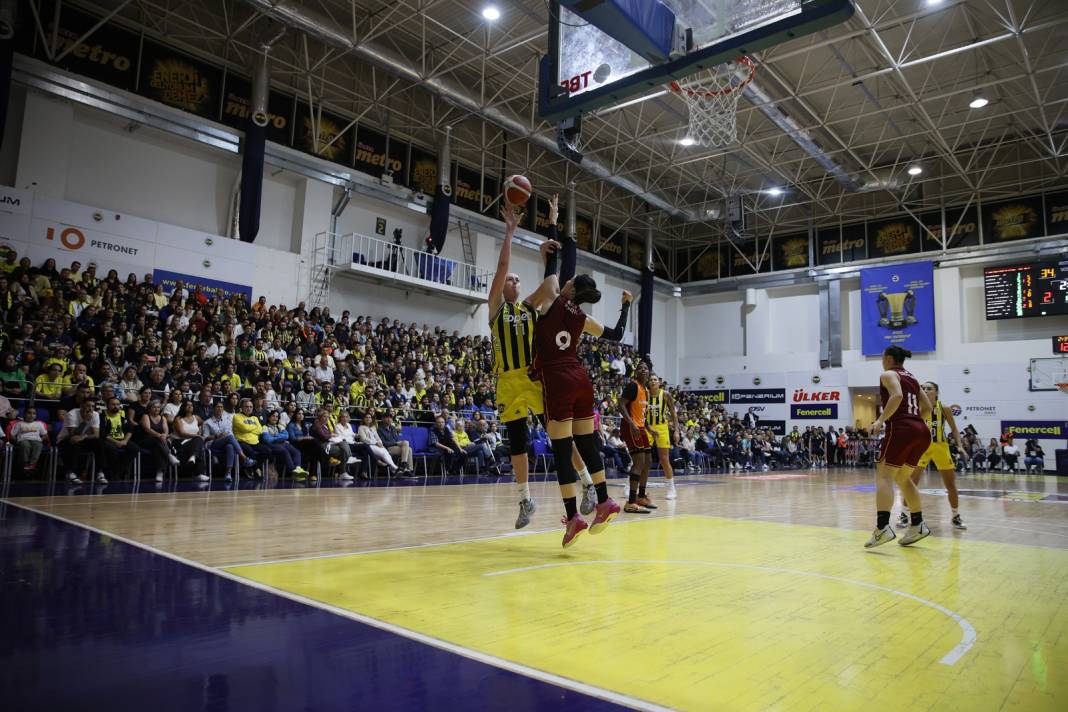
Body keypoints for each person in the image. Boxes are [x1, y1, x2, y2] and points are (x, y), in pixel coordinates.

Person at [487, 197, 594, 529]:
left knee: (558, 437)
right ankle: (524, 499)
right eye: (510, 280)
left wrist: (551, 229)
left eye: (518, 280)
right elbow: (502, 267)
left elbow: (551, 284)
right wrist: (509, 232)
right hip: (507, 381)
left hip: (534, 379)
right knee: (517, 445)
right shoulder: (495, 310)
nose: (514, 282)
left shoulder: (530, 307)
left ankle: (588, 483)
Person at [529, 267, 625, 547]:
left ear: (570, 288)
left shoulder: (551, 301)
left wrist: (553, 237)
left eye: (568, 280)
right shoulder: (583, 318)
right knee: (586, 444)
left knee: (561, 453)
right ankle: (605, 500)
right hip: (581, 378)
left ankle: (573, 518)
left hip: (558, 379)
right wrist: (626, 306)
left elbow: (549, 277)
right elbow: (617, 334)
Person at [865, 346, 934, 549]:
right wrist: (914, 423)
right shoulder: (912, 378)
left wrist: (879, 421)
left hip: (901, 429)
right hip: (922, 431)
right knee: (903, 478)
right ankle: (918, 523)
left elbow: (896, 396)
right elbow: (928, 408)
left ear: (888, 358)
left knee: (884, 476)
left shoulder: (888, 374)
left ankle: (882, 528)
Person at [900, 382, 966, 531]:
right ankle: (904, 514)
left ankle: (955, 516)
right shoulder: (916, 409)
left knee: (950, 485)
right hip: (921, 448)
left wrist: (960, 445)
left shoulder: (945, 409)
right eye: (923, 388)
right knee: (911, 482)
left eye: (929, 388)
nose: (925, 390)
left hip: (940, 447)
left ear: (937, 392)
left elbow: (954, 429)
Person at [618, 360, 656, 514]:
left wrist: (649, 428)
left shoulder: (645, 391)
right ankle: (631, 502)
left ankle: (641, 496)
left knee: (648, 461)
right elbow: (620, 404)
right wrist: (632, 424)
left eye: (645, 368)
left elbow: (641, 415)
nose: (643, 370)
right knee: (639, 462)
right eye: (640, 368)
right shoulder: (633, 386)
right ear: (636, 372)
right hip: (630, 426)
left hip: (640, 428)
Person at [647, 374, 680, 500]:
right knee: (641, 458)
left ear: (659, 382)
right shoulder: (645, 394)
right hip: (648, 427)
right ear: (648, 383)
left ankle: (671, 488)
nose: (653, 381)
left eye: (655, 379)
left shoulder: (665, 394)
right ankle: (631, 485)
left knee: (664, 459)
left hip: (662, 427)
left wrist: (676, 431)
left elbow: (673, 414)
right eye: (651, 380)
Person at [58, 398, 104, 484]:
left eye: (92, 406)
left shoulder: (95, 414)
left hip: (82, 439)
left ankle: (99, 472)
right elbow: (73, 434)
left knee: (99, 443)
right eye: (88, 406)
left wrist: (84, 437)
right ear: (81, 406)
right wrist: (86, 421)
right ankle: (71, 473)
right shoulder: (72, 414)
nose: (90, 408)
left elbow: (96, 435)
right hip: (65, 439)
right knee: (74, 442)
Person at [137, 399, 181, 483]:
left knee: (158, 449)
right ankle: (169, 456)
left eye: (158, 407)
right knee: (158, 441)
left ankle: (159, 472)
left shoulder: (163, 418)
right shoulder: (145, 416)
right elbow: (147, 429)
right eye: (154, 407)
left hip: (159, 442)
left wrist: (164, 435)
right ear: (149, 408)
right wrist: (159, 435)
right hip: (146, 440)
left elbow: (166, 430)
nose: (157, 409)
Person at [99, 396, 137, 480]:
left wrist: (125, 441)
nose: (116, 406)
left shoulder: (122, 414)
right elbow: (102, 434)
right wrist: (116, 442)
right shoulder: (102, 416)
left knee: (134, 448)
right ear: (107, 405)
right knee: (112, 449)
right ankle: (114, 473)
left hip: (122, 439)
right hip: (108, 440)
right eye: (113, 404)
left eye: (117, 404)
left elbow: (130, 430)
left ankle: (119, 470)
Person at [171, 400, 209, 482]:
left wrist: (200, 431)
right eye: (187, 405)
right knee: (199, 442)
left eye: (191, 405)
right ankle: (199, 473)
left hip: (193, 442)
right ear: (183, 407)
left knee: (198, 441)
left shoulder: (196, 417)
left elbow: (204, 423)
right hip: (180, 442)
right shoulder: (178, 418)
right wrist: (196, 435)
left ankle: (193, 457)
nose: (189, 406)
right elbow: (181, 433)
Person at [357, 411, 399, 477]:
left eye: (369, 417)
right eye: (366, 417)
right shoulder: (361, 427)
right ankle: (395, 468)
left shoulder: (373, 428)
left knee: (385, 452)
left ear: (371, 419)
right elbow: (363, 439)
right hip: (368, 446)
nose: (368, 418)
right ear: (364, 419)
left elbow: (377, 437)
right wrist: (376, 442)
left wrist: (380, 442)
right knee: (383, 453)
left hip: (377, 445)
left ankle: (393, 469)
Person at [9, 406, 49, 474]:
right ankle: (25, 464)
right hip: (23, 440)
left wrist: (40, 440)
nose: (31, 415)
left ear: (36, 415)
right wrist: (17, 441)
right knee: (25, 445)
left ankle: (32, 464)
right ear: (24, 414)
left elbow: (45, 435)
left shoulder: (39, 424)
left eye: (34, 413)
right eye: (29, 413)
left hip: (36, 440)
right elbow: (12, 435)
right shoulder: (19, 424)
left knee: (38, 445)